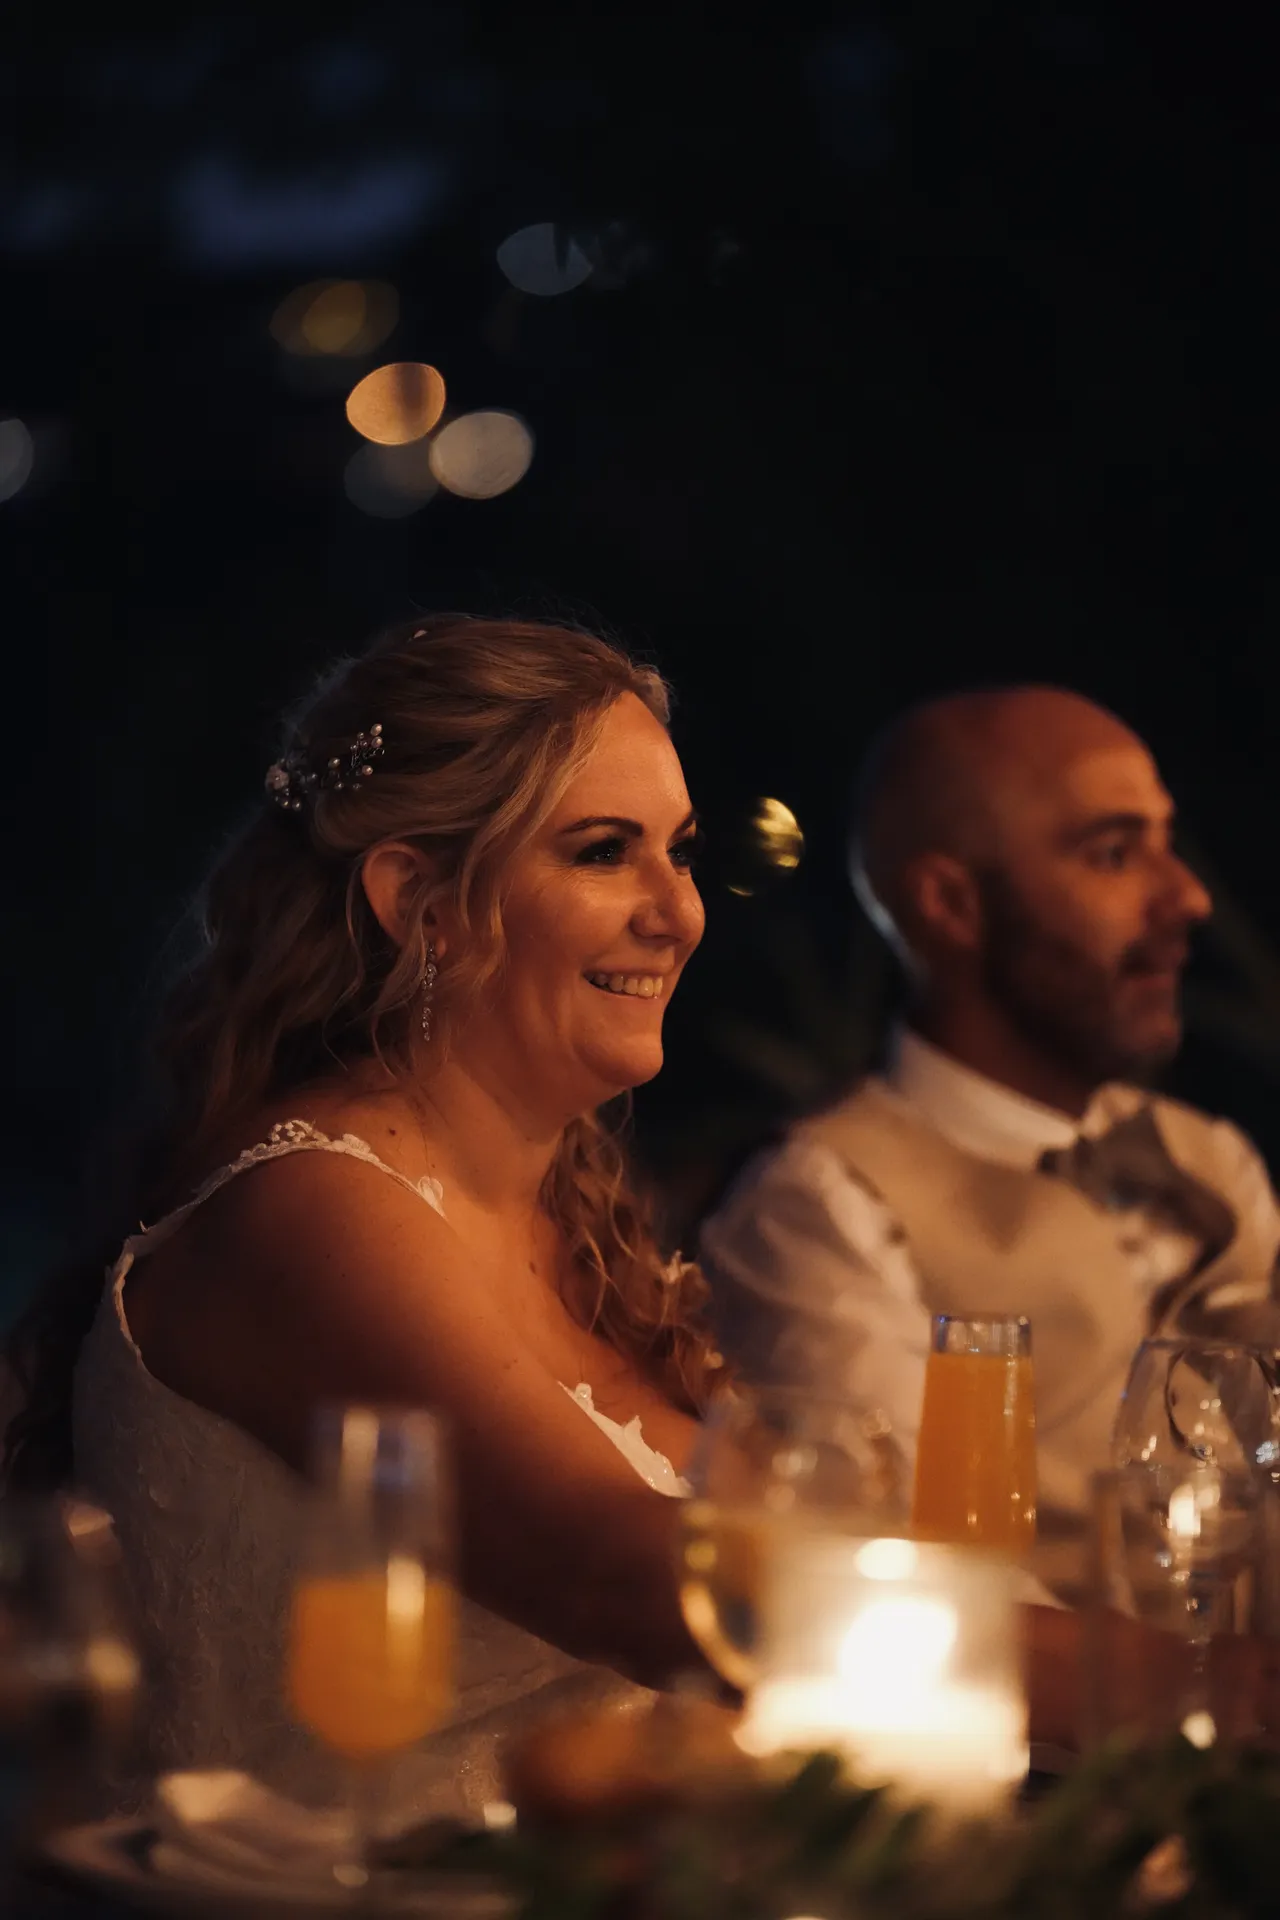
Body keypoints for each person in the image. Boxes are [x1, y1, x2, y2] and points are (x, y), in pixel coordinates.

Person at [2, 614, 717, 1821]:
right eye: (603, 852)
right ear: (419, 902)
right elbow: (617, 1579)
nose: (677, 912)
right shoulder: (314, 1218)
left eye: (680, 852)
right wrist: (1113, 1675)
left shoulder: (576, 1221)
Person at [700, 685, 1280, 1599]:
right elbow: (910, 1575)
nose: (1189, 898)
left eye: (1169, 845)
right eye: (1116, 852)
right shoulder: (819, 1206)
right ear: (950, 905)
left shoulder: (1217, 1160)